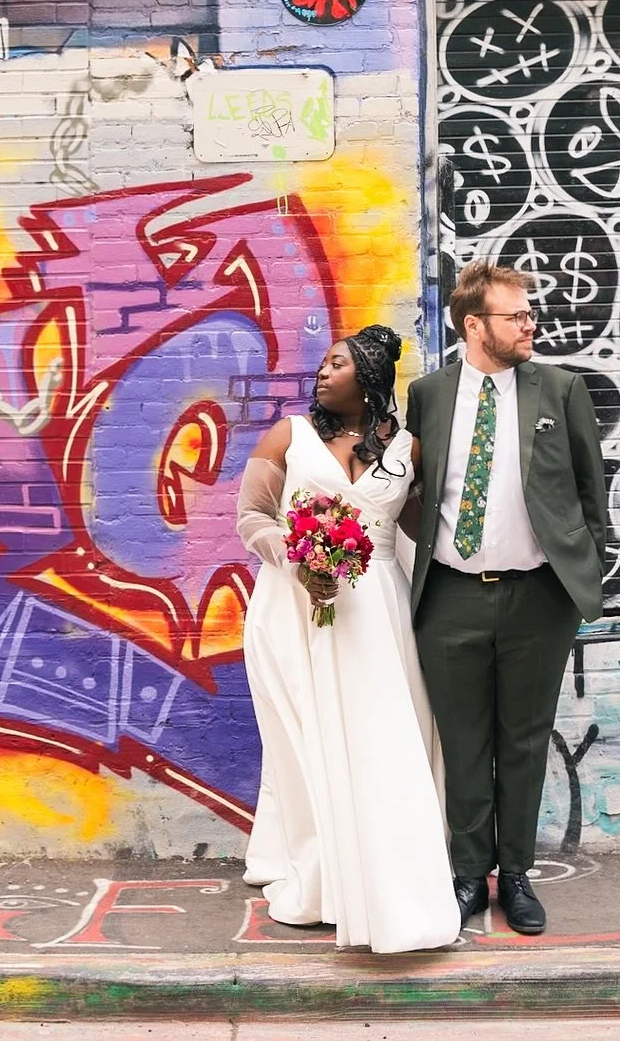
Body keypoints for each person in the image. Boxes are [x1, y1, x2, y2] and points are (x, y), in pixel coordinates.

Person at [235, 323, 461, 953]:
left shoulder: (408, 449)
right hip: (292, 607)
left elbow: (422, 527)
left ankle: (390, 871)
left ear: (368, 379)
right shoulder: (289, 435)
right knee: (306, 739)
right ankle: (322, 874)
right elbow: (251, 516)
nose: (322, 373)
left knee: (383, 736)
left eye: (337, 364)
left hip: (378, 610)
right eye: (324, 364)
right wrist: (296, 558)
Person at [406, 261, 608, 936]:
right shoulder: (429, 396)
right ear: (474, 325)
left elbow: (591, 491)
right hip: (451, 597)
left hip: (538, 599)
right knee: (464, 743)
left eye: (529, 314)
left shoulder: (561, 389)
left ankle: (515, 873)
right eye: (515, 315)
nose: (530, 325)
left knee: (523, 741)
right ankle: (469, 874)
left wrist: (581, 573)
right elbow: (419, 491)